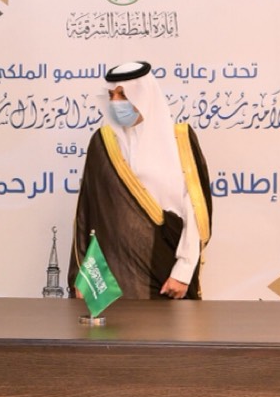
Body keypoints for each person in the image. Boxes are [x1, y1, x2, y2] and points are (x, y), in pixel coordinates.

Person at [68, 61, 213, 300]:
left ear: (145, 96)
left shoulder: (181, 141)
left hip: (165, 270)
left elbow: (195, 209)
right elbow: (87, 212)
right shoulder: (103, 142)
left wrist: (184, 270)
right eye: (111, 95)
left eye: (123, 95)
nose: (116, 102)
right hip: (111, 276)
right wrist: (83, 275)